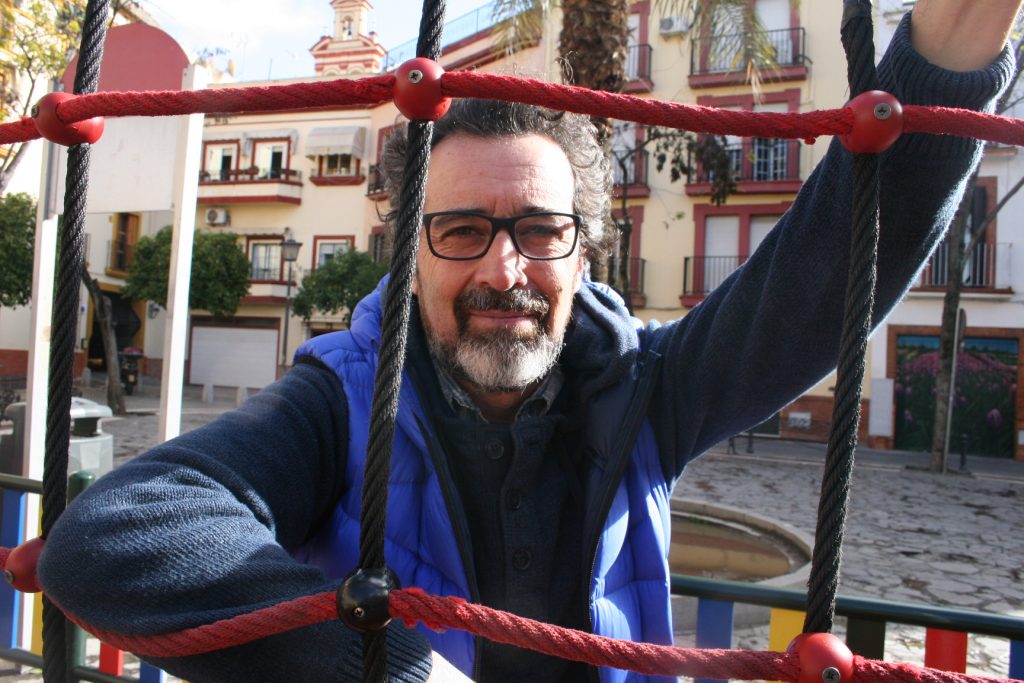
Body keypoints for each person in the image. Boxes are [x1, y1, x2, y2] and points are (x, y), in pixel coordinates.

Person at [38, 1, 1021, 681]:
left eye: (539, 230)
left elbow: (830, 267)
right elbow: (114, 534)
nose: (504, 271)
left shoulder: (648, 384)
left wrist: (958, 34)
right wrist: (398, 664)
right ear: (406, 249)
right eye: (461, 229)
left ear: (586, 247)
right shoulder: (344, 397)